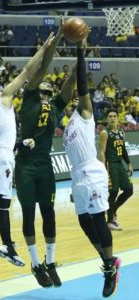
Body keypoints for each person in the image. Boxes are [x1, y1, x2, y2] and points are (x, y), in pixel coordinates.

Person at [0, 32, 55, 270]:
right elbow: (26, 71)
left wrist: (21, 143)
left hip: (0, 153)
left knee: (3, 203)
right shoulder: (1, 98)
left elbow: (4, 134)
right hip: (0, 157)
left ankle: (7, 245)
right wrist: (44, 49)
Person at [14, 19, 76, 289]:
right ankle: (35, 263)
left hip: (44, 166)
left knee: (49, 214)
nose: (48, 89)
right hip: (25, 166)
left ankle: (50, 263)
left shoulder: (55, 108)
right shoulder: (28, 98)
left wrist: (81, 57)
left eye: (50, 89)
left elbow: (70, 86)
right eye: (44, 88)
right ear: (36, 90)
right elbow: (41, 68)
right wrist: (59, 38)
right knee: (29, 215)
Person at [63, 38, 121, 298]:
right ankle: (108, 259)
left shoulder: (85, 113)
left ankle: (109, 268)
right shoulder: (66, 127)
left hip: (92, 173)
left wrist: (79, 51)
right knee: (84, 223)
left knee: (98, 221)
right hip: (78, 177)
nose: (77, 95)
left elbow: (82, 81)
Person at [99, 109, 133, 230]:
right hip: (110, 164)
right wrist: (103, 168)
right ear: (106, 119)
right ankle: (110, 221)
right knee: (113, 191)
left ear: (118, 118)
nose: (112, 118)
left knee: (129, 190)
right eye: (110, 116)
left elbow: (123, 149)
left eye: (114, 116)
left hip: (119, 164)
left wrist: (128, 163)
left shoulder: (121, 132)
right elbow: (101, 152)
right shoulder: (104, 133)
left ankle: (112, 210)